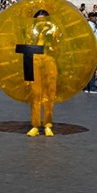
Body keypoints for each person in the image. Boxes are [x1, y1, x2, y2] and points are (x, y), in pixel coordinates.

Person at [25, 8, 60, 137]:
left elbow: (58, 49)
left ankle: (47, 125)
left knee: (49, 95)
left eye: (44, 21)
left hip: (49, 63)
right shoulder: (30, 33)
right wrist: (27, 75)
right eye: (39, 21)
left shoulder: (53, 33)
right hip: (34, 63)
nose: (41, 23)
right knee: (35, 95)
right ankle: (35, 125)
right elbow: (26, 50)